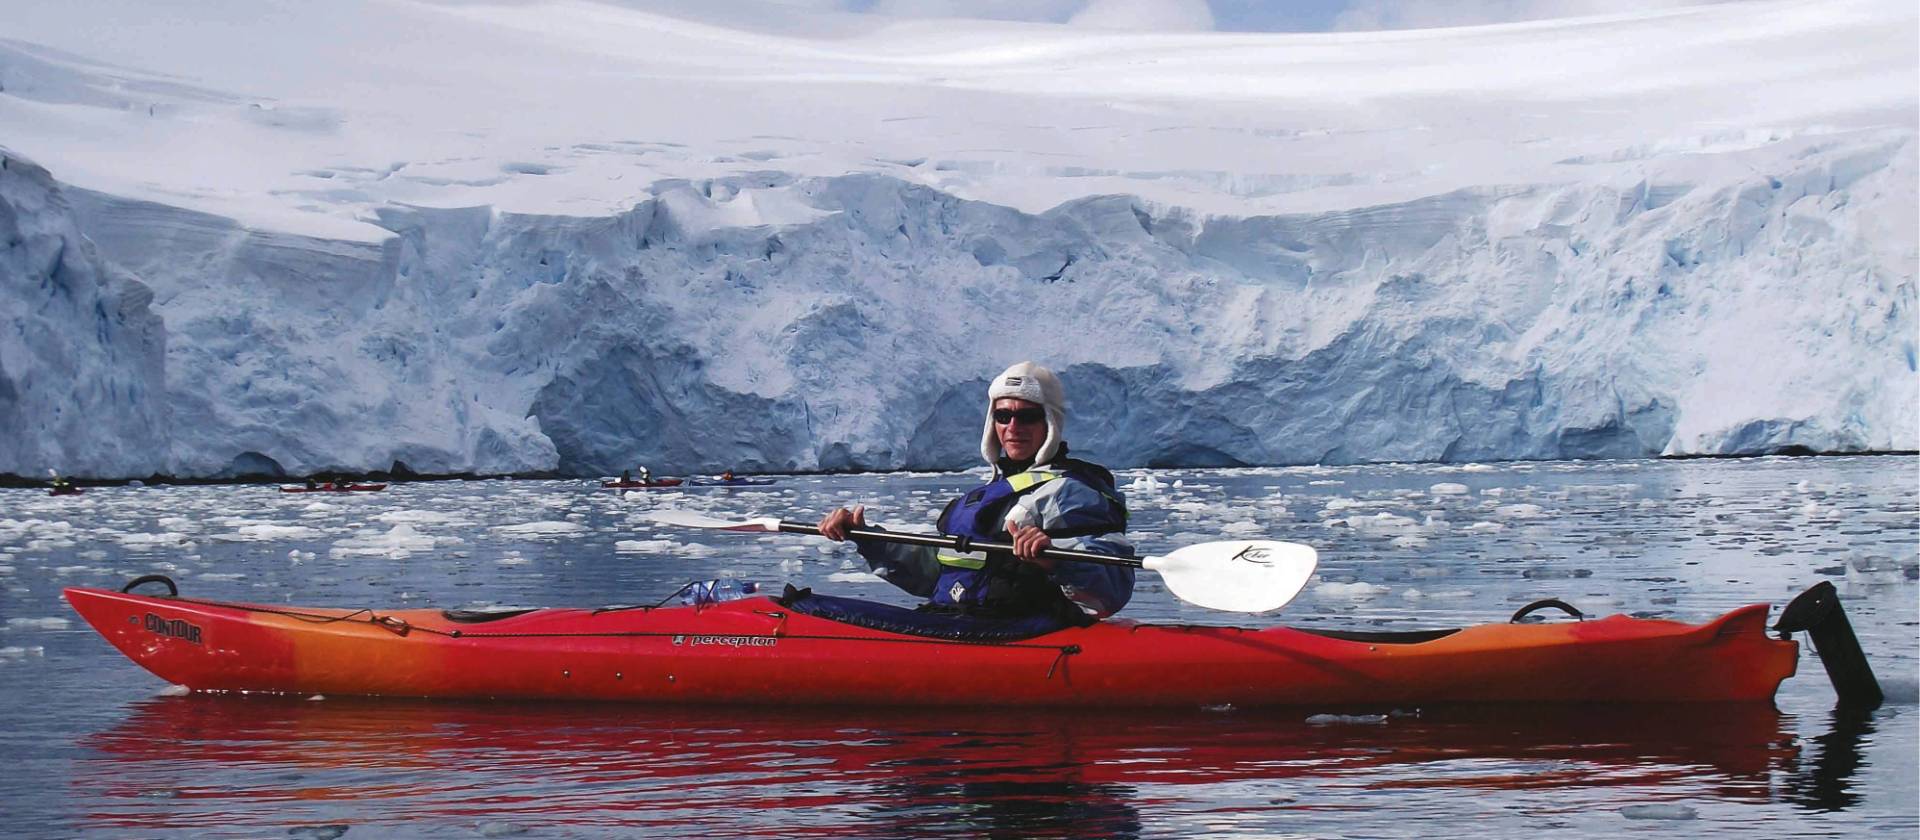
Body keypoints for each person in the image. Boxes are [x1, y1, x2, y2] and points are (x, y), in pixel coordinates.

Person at [817, 361, 1134, 627]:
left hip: (1021, 635)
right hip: (959, 625)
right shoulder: (989, 493)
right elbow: (938, 572)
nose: (1013, 426)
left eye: (1027, 416)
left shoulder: (1074, 492)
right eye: (1003, 416)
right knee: (811, 607)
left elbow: (1114, 586)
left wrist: (1055, 561)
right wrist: (866, 538)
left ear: (1050, 422)